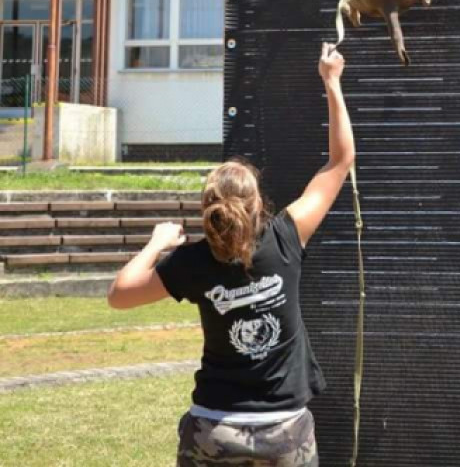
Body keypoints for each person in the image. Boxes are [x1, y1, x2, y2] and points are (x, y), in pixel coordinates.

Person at [107, 43, 354, 467]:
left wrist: (157, 243)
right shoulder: (286, 235)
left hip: (212, 429)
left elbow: (119, 294)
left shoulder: (192, 262)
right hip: (285, 431)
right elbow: (340, 161)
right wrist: (332, 81)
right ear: (260, 204)